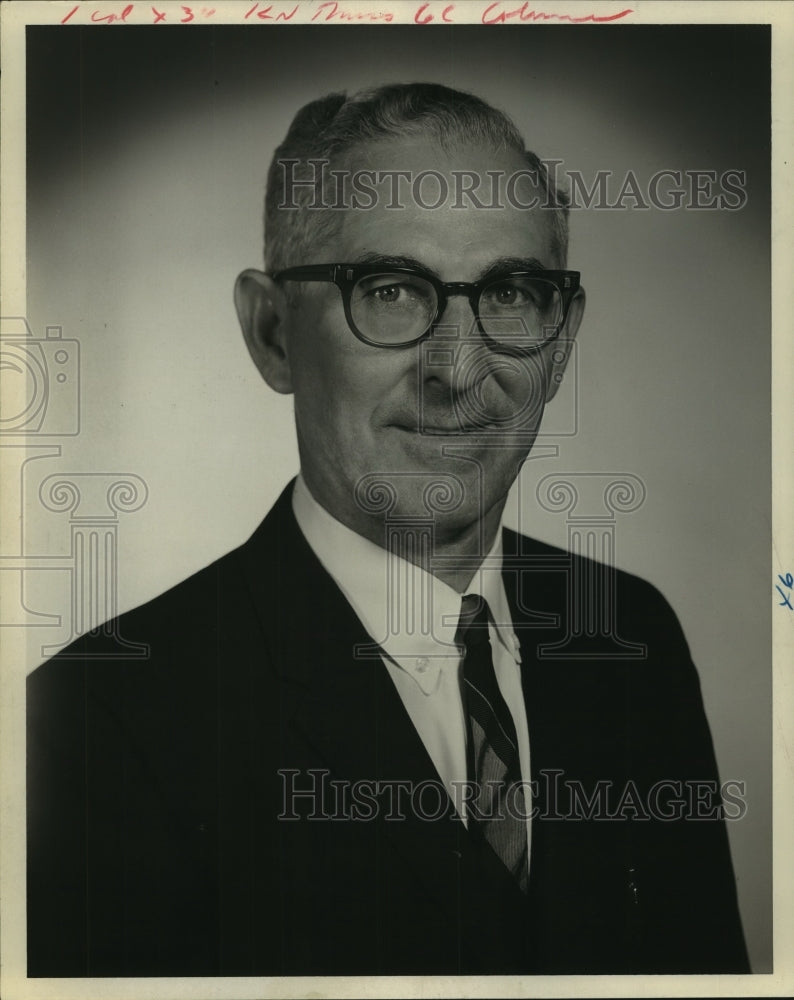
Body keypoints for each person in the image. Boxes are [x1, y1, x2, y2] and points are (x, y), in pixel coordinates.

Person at [26, 83, 749, 977]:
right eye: (393, 290)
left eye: (511, 291)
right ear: (272, 333)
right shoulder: (95, 727)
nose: (458, 368)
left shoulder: (632, 636)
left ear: (560, 341)